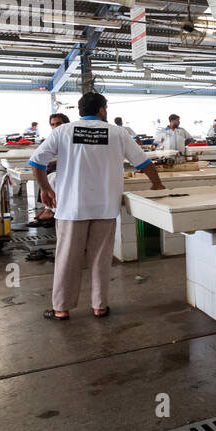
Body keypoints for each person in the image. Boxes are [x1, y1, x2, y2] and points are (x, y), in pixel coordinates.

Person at [30, 92, 163, 321]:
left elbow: (36, 161)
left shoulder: (63, 131)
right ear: (102, 109)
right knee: (101, 258)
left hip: (72, 207)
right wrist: (157, 184)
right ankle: (99, 306)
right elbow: (143, 162)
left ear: (80, 110)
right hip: (105, 207)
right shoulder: (118, 132)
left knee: (67, 258)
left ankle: (61, 308)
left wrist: (45, 188)